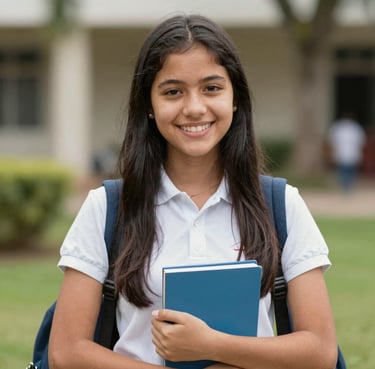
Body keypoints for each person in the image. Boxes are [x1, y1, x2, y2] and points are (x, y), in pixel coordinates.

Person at [49, 14, 338, 369]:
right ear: (150, 107)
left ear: (235, 98)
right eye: (173, 92)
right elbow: (66, 351)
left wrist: (211, 344)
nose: (194, 107)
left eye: (212, 88)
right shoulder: (107, 207)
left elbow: (320, 350)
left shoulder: (280, 204)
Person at [328, 112, 366, 192]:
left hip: (350, 153)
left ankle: (347, 186)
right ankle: (346, 186)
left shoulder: (343, 127)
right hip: (344, 153)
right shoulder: (353, 127)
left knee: (348, 170)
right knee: (345, 170)